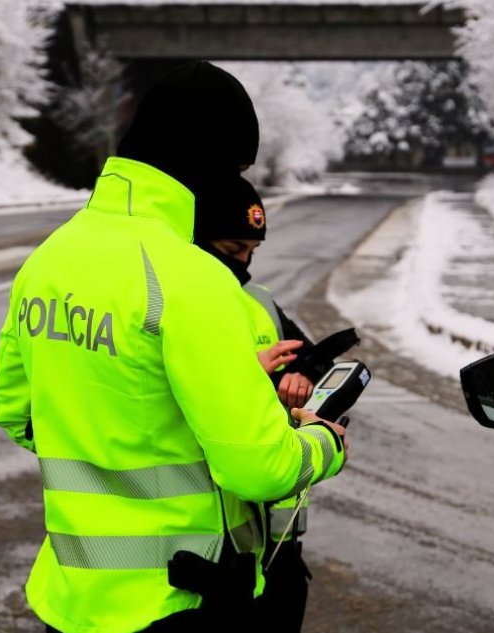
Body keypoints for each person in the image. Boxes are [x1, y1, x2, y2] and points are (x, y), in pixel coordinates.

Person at [0, 60, 349, 633]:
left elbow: (17, 415)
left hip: (72, 598)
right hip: (181, 601)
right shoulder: (190, 277)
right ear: (204, 160)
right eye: (232, 167)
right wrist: (322, 442)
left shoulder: (49, 259)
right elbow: (261, 469)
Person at [192, 174, 353, 633]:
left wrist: (303, 376)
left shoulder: (259, 300)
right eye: (231, 250)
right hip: (215, 547)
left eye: (251, 254)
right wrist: (249, 376)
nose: (242, 266)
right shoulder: (182, 305)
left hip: (279, 541)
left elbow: (307, 357)